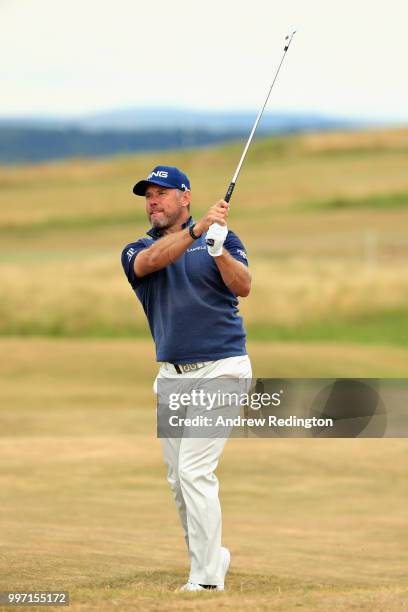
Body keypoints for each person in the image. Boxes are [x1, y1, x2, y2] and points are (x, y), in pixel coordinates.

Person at [121, 165, 252, 592]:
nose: (152, 201)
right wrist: (197, 232)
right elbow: (150, 262)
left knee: (195, 471)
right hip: (172, 378)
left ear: (185, 196)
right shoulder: (135, 249)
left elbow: (244, 285)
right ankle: (212, 557)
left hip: (222, 369)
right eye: (148, 195)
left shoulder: (221, 239)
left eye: (161, 193)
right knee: (179, 481)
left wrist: (218, 251)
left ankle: (208, 580)